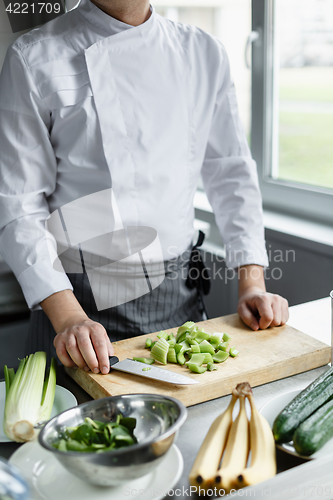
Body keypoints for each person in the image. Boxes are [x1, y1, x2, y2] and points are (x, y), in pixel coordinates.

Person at [0, 0, 289, 375]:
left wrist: (252, 284)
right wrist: (70, 316)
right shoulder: (33, 56)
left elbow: (230, 172)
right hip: (74, 308)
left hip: (179, 300)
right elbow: (19, 204)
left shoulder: (203, 52)